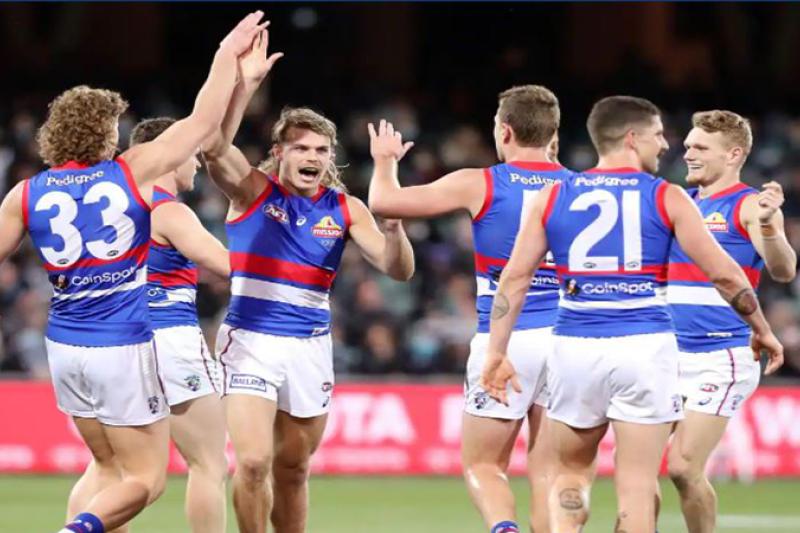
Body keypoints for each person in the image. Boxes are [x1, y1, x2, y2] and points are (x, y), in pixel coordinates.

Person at [0, 12, 266, 533]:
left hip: (62, 346)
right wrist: (225, 56)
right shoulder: (133, 171)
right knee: (147, 480)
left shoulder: (25, 193)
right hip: (119, 341)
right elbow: (201, 124)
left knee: (105, 467)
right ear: (107, 132)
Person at [481, 96, 784, 533]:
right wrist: (762, 329)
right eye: (658, 134)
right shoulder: (667, 196)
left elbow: (514, 279)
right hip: (645, 346)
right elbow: (726, 275)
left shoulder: (554, 195)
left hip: (574, 346)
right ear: (632, 138)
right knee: (638, 483)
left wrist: (496, 351)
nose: (665, 145)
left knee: (569, 472)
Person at [200, 31, 415, 533]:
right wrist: (245, 84)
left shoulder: (345, 209)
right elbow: (213, 148)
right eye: (300, 147)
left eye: (321, 148)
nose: (311, 156)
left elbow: (398, 269)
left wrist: (394, 226)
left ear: (331, 156)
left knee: (293, 470)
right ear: (279, 153)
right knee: (252, 463)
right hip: (250, 342)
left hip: (309, 347)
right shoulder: (252, 191)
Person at [368, 85, 570, 533]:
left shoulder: (480, 182)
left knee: (483, 465)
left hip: (508, 340)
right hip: (571, 341)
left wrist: (385, 162)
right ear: (554, 134)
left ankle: (504, 529)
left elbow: (384, 203)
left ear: (505, 130)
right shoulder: (580, 188)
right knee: (551, 471)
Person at [666, 110, 797, 533]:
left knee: (684, 468)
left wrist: (768, 226)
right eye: (687, 145)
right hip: (664, 353)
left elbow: (783, 270)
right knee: (635, 467)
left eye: (700, 147)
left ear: (734, 154)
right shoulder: (680, 204)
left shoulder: (748, 205)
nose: (688, 153)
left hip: (718, 353)